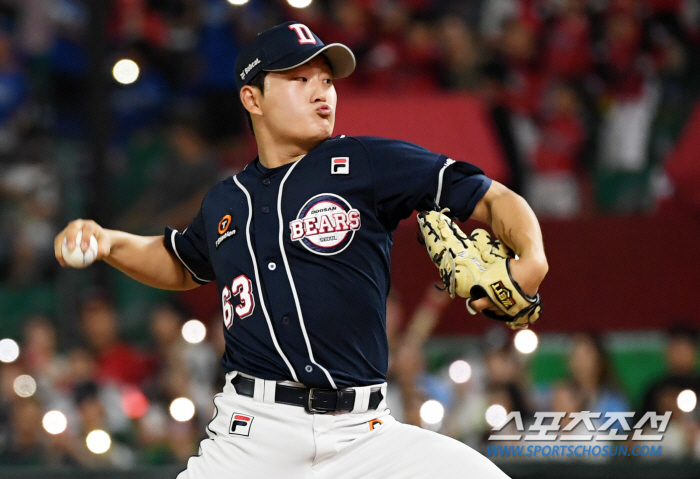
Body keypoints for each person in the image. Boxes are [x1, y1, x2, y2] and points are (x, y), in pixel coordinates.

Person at [54, 21, 548, 479]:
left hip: (364, 435)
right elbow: (182, 263)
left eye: (327, 81)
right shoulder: (227, 199)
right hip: (252, 436)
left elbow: (491, 196)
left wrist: (532, 257)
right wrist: (110, 242)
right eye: (299, 79)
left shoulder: (363, 161)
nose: (321, 92)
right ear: (253, 98)